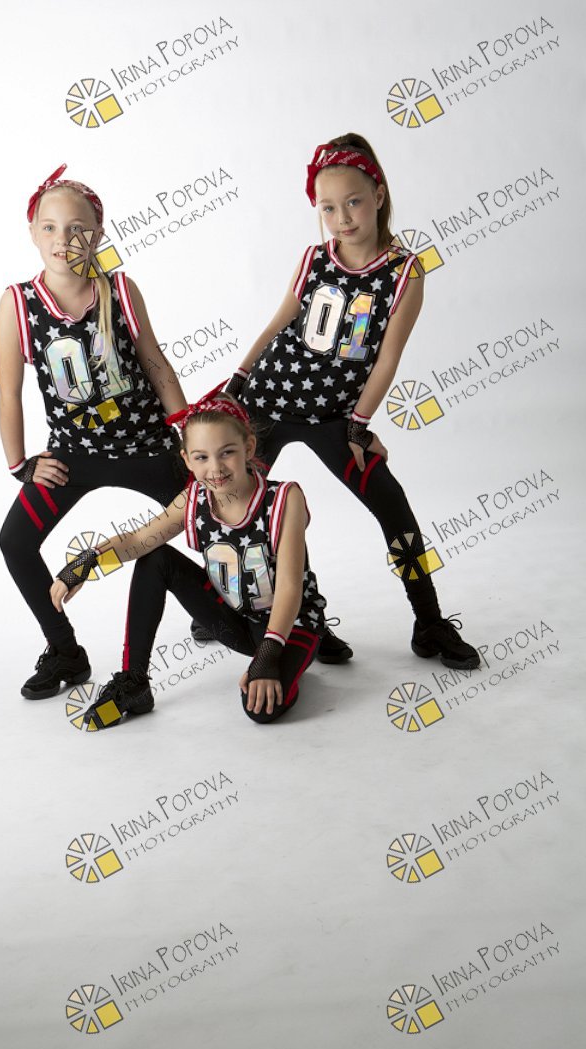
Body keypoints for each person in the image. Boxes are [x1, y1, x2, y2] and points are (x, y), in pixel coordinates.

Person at [224, 134, 479, 670]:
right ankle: (265, 615)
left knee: (391, 503)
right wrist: (239, 378)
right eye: (328, 208)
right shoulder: (314, 258)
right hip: (269, 400)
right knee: (240, 507)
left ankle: (429, 620)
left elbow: (387, 359)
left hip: (336, 416)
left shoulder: (405, 271)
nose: (341, 218)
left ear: (379, 195)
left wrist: (359, 425)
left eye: (354, 202)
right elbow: (278, 323)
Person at [0, 165, 189, 699]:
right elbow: (8, 393)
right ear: (33, 233)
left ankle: (244, 607)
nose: (64, 240)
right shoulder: (17, 303)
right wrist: (21, 464)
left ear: (98, 234)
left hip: (146, 445)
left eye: (77, 228)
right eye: (50, 227)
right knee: (15, 541)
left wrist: (189, 437)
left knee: (214, 511)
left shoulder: (119, 288)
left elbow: (154, 363)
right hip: (73, 455)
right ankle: (65, 650)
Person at [49, 392, 326, 727]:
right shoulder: (193, 499)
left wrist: (268, 655)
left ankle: (311, 646)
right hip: (238, 621)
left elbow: (290, 588)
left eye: (227, 452)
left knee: (261, 711)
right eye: (202, 457)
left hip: (292, 625)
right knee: (155, 558)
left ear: (249, 447)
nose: (215, 468)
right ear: (188, 460)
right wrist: (87, 563)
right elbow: (137, 541)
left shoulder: (284, 498)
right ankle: (134, 683)